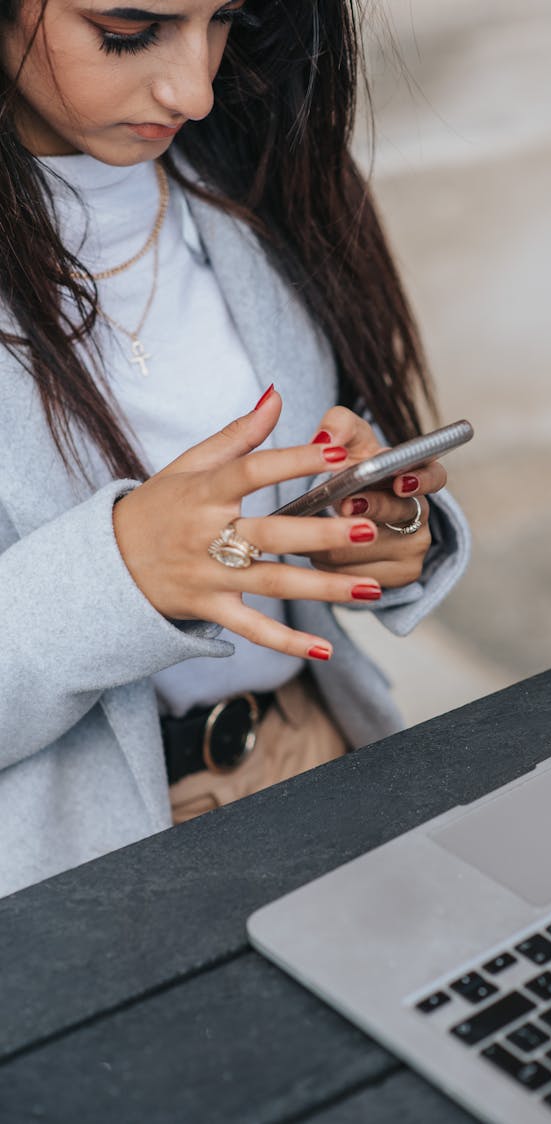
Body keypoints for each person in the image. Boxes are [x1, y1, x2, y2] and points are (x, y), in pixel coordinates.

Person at [0, 0, 470, 897]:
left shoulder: (247, 176)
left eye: (222, 21)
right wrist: (118, 572)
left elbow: (342, 434)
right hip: (72, 882)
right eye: (128, 29)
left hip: (318, 765)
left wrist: (388, 526)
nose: (196, 89)